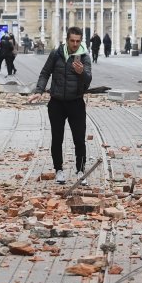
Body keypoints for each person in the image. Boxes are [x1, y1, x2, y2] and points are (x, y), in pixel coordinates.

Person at [28, 26, 92, 185]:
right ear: (67, 40)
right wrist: (39, 90)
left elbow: (88, 80)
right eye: (72, 41)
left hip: (76, 102)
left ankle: (80, 170)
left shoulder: (84, 56)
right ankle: (59, 170)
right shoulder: (56, 54)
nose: (75, 44)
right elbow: (45, 73)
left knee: (79, 139)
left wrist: (81, 72)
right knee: (57, 138)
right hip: (56, 102)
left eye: (78, 41)